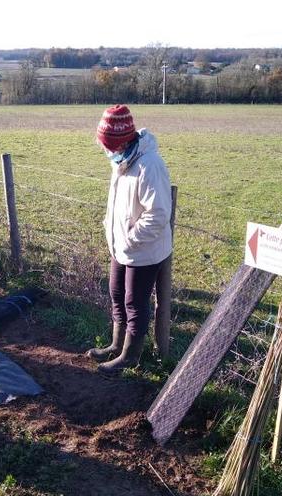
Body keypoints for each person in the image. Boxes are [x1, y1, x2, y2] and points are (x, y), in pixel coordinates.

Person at [87, 105, 173, 373]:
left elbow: (158, 214)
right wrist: (112, 233)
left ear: (122, 141)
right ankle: (116, 345)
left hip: (144, 250)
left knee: (134, 304)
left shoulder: (149, 165)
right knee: (116, 294)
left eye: (108, 145)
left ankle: (130, 356)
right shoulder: (122, 162)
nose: (106, 150)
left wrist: (130, 239)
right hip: (121, 246)